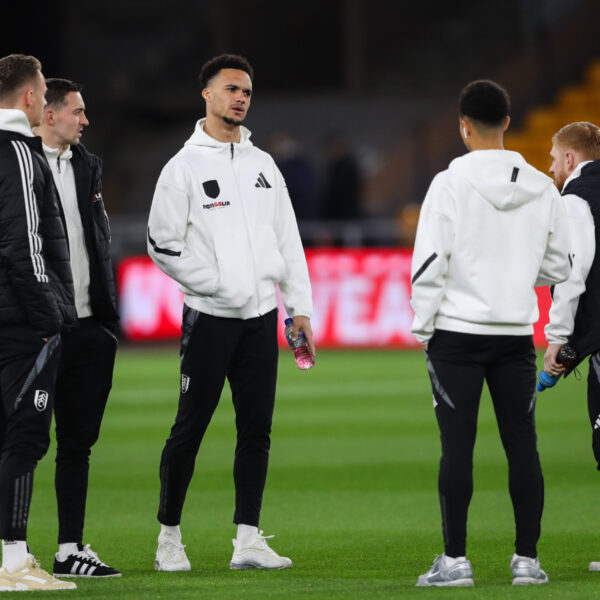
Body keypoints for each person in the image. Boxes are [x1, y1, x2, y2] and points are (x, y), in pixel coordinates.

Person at [147, 54, 314, 572]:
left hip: (262, 319)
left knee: (256, 431)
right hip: (210, 318)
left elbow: (288, 240)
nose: (241, 97)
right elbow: (161, 243)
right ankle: (169, 538)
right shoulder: (183, 168)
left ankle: (247, 539)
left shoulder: (264, 164)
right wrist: (217, 285)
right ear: (208, 95)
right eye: (231, 89)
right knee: (189, 429)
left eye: (246, 90)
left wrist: (299, 307)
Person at [410, 79, 571, 587]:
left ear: (463, 127)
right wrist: (517, 274)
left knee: (457, 447)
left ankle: (455, 561)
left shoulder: (448, 184)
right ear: (506, 122)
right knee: (522, 444)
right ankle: (527, 561)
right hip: (515, 336)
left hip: (456, 335)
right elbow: (560, 264)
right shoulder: (542, 186)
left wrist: (423, 326)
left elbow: (430, 263)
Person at [35, 78, 120, 578]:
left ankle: (69, 550)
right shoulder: (18, 166)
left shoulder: (87, 166)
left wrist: (105, 322)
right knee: (21, 442)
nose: (85, 120)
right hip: (39, 330)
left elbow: (97, 241)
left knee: (76, 445)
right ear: (48, 113)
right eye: (77, 111)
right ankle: (14, 550)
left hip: (89, 329)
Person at [0, 55, 76, 591]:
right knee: (25, 439)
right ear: (30, 98)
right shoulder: (19, 154)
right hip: (20, 323)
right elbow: (24, 244)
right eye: (44, 90)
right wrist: (51, 321)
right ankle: (14, 562)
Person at [543, 122, 600, 572]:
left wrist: (558, 338)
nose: (550, 167)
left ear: (569, 159)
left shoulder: (576, 200)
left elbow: (572, 274)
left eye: (552, 157)